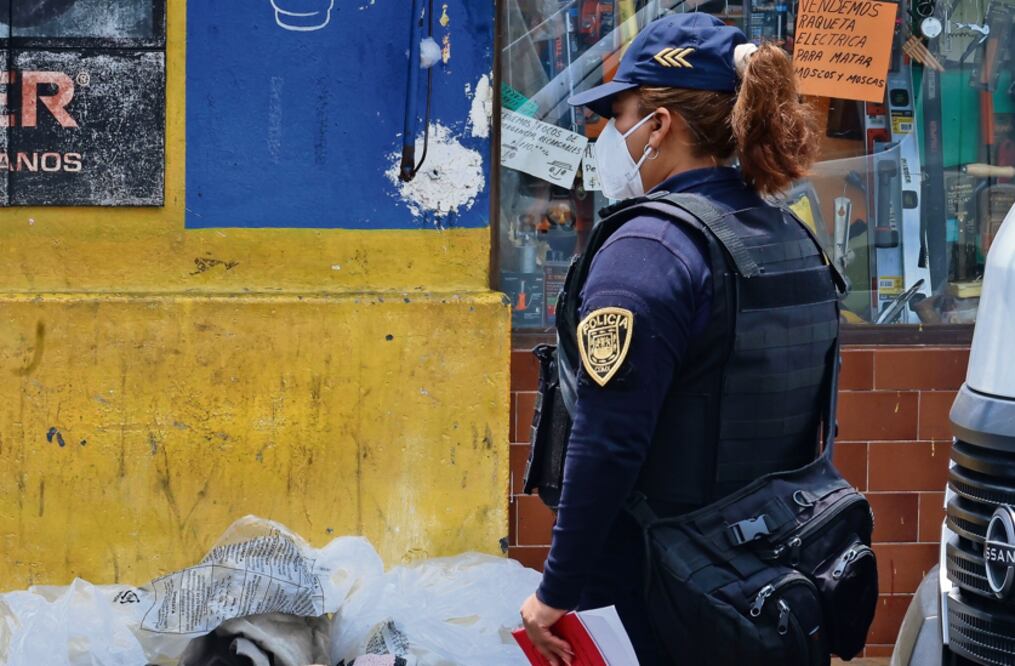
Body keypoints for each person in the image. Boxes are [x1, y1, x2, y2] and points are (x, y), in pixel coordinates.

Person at [518, 12, 838, 666]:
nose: (606, 133)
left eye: (617, 115)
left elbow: (608, 440)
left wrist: (555, 591)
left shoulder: (648, 250)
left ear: (657, 125)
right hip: (764, 586)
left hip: (659, 599)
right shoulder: (786, 238)